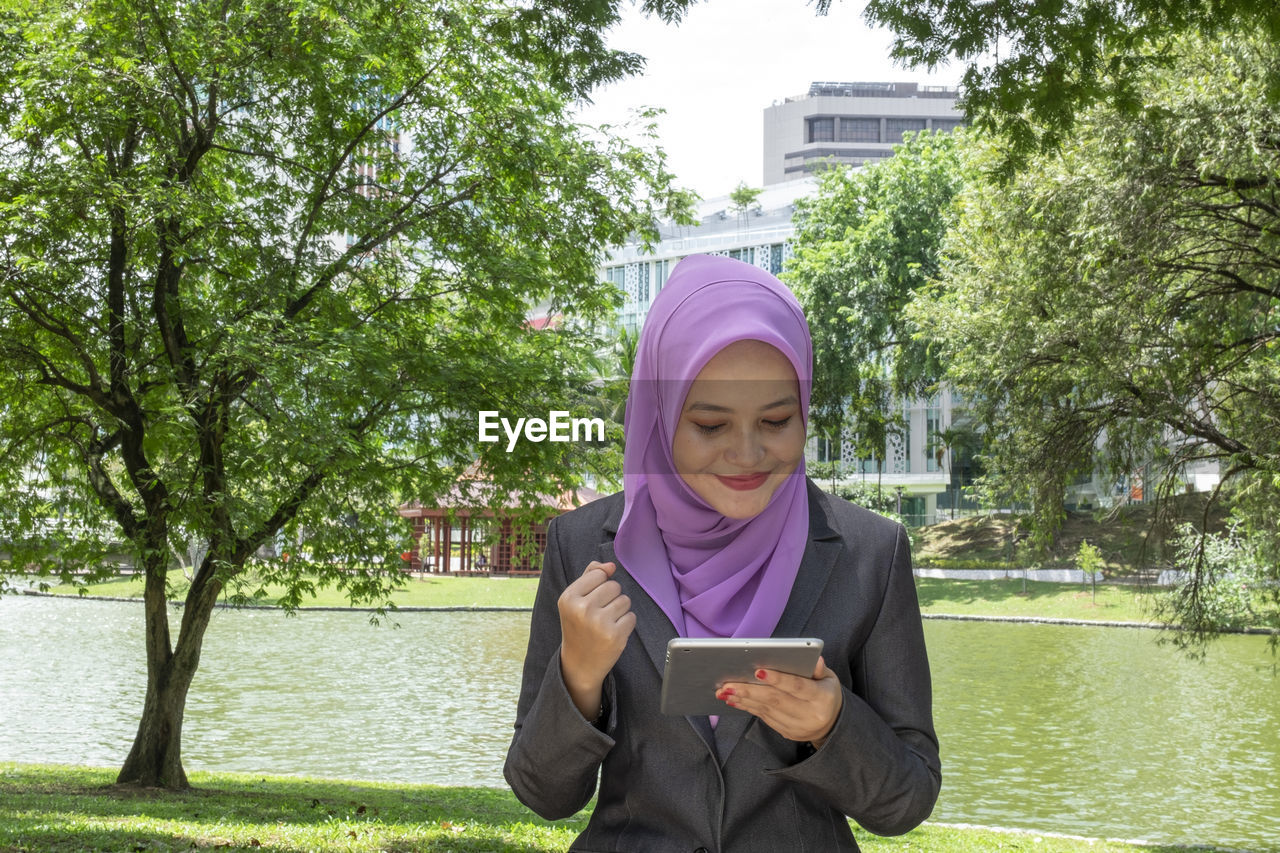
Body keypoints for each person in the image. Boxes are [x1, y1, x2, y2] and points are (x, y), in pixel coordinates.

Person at [504, 254, 939, 852]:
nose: (747, 453)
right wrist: (578, 675)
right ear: (659, 418)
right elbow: (542, 792)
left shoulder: (870, 553)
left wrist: (831, 726)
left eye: (777, 420)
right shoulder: (582, 546)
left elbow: (907, 800)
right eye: (710, 425)